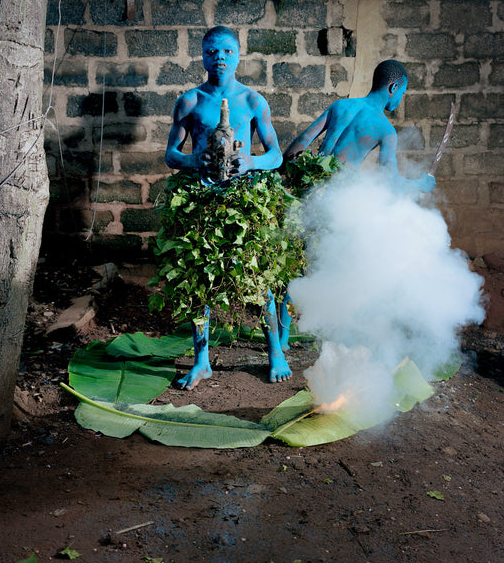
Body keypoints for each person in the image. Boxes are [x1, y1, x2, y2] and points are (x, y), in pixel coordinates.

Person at [165, 25, 291, 389]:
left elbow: (276, 155)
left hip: (243, 200)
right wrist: (193, 163)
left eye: (227, 52)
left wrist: (250, 163)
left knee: (260, 280)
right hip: (202, 199)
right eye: (211, 52)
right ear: (202, 55)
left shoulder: (253, 102)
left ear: (238, 55)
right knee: (198, 281)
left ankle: (276, 353)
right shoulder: (189, 101)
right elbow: (171, 154)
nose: (219, 58)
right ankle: (202, 360)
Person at [284, 60, 436, 193]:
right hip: (337, 195)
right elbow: (390, 181)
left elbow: (303, 140)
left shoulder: (340, 105)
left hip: (312, 183)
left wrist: (282, 172)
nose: (400, 99)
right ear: (393, 87)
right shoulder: (386, 130)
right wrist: (418, 184)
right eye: (402, 93)